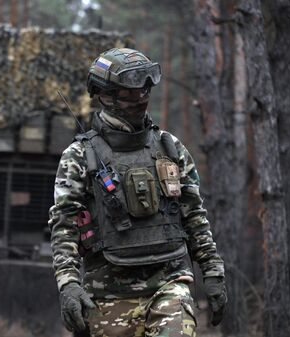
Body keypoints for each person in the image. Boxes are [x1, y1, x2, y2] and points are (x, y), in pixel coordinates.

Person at [49, 47, 227, 337]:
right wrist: (68, 284)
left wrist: (213, 271)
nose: (141, 97)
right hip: (107, 293)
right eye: (131, 91)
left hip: (169, 283)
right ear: (105, 95)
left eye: (146, 88)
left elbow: (194, 215)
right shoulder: (80, 156)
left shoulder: (169, 148)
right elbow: (64, 225)